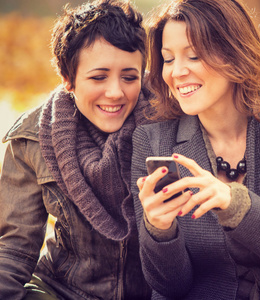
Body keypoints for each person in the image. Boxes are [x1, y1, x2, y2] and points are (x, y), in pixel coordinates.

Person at [131, 0, 260, 299]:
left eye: (194, 55)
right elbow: (169, 286)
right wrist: (159, 230)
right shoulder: (153, 142)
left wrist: (234, 201)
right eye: (168, 59)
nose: (177, 72)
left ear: (234, 52)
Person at [0, 0, 154, 298]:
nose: (115, 92)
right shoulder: (30, 139)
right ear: (68, 79)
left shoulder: (169, 121)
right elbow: (14, 252)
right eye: (98, 77)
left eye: (130, 77)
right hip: (62, 291)